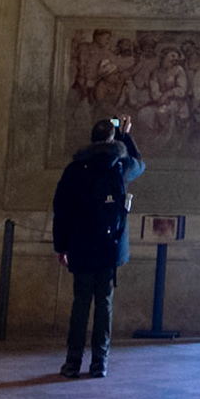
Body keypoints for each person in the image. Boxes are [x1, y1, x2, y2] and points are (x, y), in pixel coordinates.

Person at [53, 116, 145, 378]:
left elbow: (61, 209)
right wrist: (126, 136)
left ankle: (72, 362)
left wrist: (62, 246)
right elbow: (141, 164)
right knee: (104, 303)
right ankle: (99, 363)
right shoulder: (120, 167)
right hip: (109, 246)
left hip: (80, 245)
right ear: (112, 139)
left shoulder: (75, 169)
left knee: (80, 303)